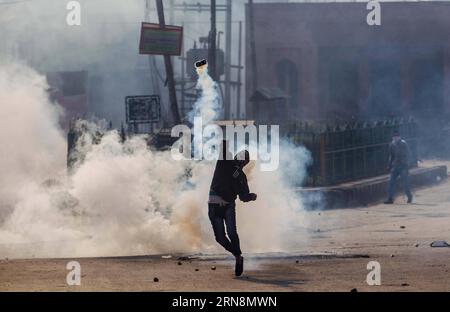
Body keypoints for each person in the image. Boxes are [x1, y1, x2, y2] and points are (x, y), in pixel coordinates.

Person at [208, 141, 257, 276]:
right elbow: (223, 149)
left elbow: (243, 196)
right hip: (214, 205)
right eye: (243, 157)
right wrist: (225, 140)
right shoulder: (224, 163)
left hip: (229, 206)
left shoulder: (241, 177)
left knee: (232, 233)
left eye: (245, 159)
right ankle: (238, 255)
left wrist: (251, 196)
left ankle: (238, 257)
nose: (243, 160)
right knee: (220, 238)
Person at [384, 131, 413, 204]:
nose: (395, 138)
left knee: (405, 183)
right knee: (391, 182)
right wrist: (389, 164)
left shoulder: (403, 144)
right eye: (394, 137)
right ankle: (390, 199)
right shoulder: (392, 145)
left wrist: (406, 164)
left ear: (399, 137)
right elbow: (391, 156)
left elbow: (408, 154)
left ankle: (409, 196)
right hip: (395, 166)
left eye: (396, 136)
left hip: (403, 166)